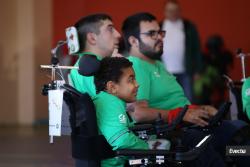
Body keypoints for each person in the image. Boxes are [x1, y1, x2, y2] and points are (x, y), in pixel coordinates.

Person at [122, 12, 249, 166]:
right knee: (238, 145)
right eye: (152, 34)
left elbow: (174, 103)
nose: (160, 37)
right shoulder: (135, 66)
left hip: (192, 129)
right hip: (178, 136)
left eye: (160, 32)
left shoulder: (158, 65)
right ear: (133, 40)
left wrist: (200, 108)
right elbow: (138, 113)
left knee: (238, 138)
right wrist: (178, 115)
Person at [70, 13, 121, 97]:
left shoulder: (80, 67)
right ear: (92, 38)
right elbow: (116, 110)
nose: (118, 35)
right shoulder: (94, 69)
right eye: (110, 29)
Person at [161, 0, 202, 102]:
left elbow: (196, 49)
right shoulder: (160, 26)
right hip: (165, 72)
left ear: (179, 11)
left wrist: (197, 70)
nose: (173, 13)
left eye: (175, 10)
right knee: (168, 100)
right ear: (165, 12)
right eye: (170, 10)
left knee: (188, 99)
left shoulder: (188, 26)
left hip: (186, 71)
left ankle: (189, 118)